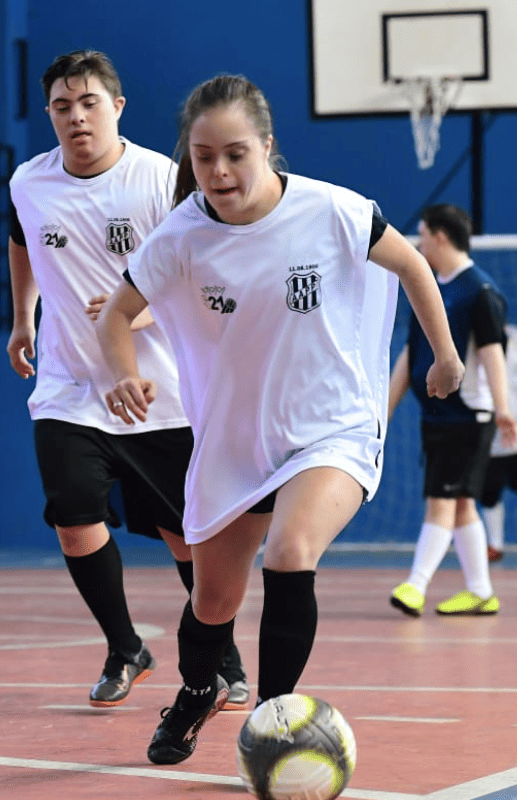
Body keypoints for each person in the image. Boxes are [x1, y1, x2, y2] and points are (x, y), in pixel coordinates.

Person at [97, 74, 463, 766]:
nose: (220, 171)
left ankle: (273, 720)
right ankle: (198, 690)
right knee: (212, 600)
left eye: (236, 153)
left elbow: (415, 267)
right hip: (236, 439)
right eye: (204, 157)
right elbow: (116, 316)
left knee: (291, 553)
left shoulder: (333, 212)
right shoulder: (182, 236)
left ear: (267, 146)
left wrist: (443, 356)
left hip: (330, 427)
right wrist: (123, 372)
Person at [6, 50, 248, 712]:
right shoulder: (28, 182)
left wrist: (135, 309)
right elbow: (22, 242)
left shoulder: (163, 182)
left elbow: (206, 272)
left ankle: (222, 655)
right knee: (74, 518)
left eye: (88, 103)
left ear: (116, 107)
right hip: (68, 386)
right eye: (61, 106)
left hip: (158, 392)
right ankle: (125, 648)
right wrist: (21, 317)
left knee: (184, 534)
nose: (75, 117)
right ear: (50, 114)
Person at [388, 205, 513, 617]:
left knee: (440, 503)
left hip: (467, 416)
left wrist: (504, 409)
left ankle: (415, 584)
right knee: (460, 505)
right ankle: (479, 590)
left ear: (441, 236)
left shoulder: (480, 290)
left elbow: (493, 353)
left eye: (422, 234)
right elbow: (411, 352)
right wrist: (383, 409)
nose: (419, 243)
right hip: (437, 417)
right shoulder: (428, 288)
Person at [479, 321, 517, 563]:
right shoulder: (474, 342)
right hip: (487, 435)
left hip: (515, 432)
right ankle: (494, 545)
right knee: (488, 492)